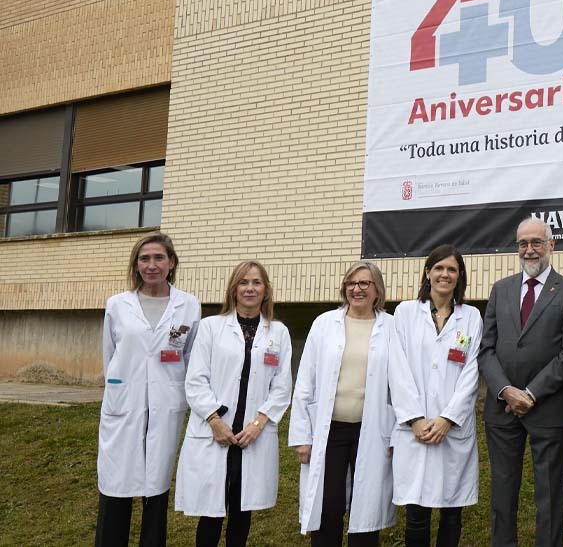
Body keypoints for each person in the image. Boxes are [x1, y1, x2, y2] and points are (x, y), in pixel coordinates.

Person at [479, 218, 563, 547]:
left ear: (551, 245)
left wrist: (531, 393)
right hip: (503, 409)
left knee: (550, 495)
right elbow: (486, 349)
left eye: (536, 242)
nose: (529, 249)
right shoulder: (500, 290)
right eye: (523, 243)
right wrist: (505, 390)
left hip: (548, 407)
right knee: (502, 490)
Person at [175, 260, 293, 547]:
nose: (250, 288)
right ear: (233, 289)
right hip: (216, 432)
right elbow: (195, 379)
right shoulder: (211, 327)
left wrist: (258, 424)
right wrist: (214, 421)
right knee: (210, 513)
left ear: (266, 290)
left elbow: (281, 387)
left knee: (241, 512)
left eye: (256, 282)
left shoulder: (278, 332)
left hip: (250, 435)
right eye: (243, 282)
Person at [96, 232, 202, 547]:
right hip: (123, 405)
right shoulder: (118, 304)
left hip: (166, 404)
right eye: (144, 259)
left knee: (156, 489)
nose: (151, 265)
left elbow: (191, 357)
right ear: (136, 264)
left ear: (172, 263)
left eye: (158, 258)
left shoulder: (188, 305)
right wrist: (117, 390)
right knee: (115, 486)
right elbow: (110, 356)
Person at [289, 261, 397, 545]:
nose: (356, 289)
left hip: (372, 430)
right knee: (328, 505)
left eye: (364, 283)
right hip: (330, 430)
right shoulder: (324, 323)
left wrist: (398, 434)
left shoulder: (392, 327)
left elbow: (401, 386)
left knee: (367, 507)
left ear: (377, 290)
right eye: (351, 283)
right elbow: (305, 380)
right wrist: (302, 436)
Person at [390, 245, 483, 547]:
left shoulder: (471, 317)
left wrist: (447, 419)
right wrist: (415, 419)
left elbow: (471, 373)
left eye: (452, 269)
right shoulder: (405, 312)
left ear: (460, 276)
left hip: (452, 430)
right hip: (414, 428)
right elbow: (397, 369)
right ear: (428, 272)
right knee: (416, 513)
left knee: (451, 512)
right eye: (439, 268)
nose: (445, 274)